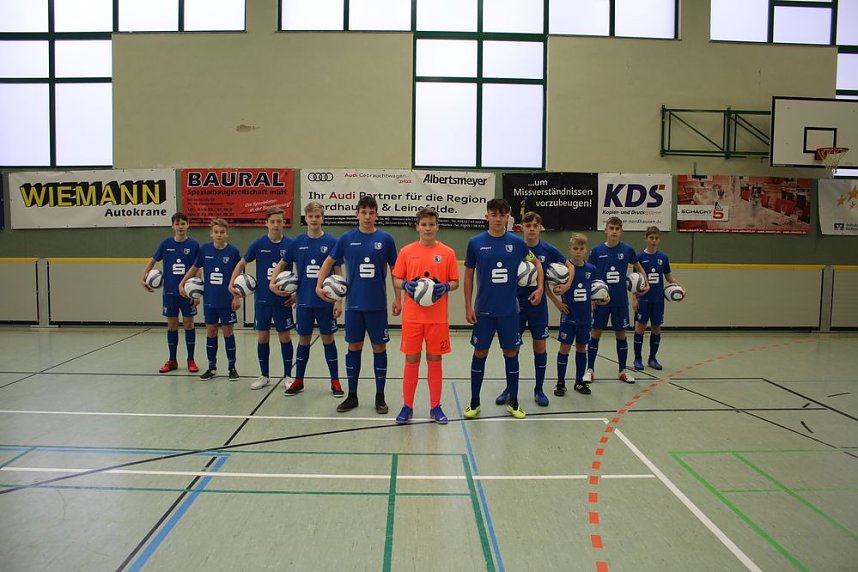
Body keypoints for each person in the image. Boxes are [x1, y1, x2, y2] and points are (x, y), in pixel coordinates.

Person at [315, 196, 401, 414]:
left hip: (377, 306)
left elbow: (395, 270)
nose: (367, 216)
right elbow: (328, 262)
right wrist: (319, 285)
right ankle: (352, 395)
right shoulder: (346, 239)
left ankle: (379, 396)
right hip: (354, 307)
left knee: (379, 348)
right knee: (354, 347)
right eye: (363, 212)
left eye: (371, 212)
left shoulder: (386, 239)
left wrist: (398, 297)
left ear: (377, 215)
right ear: (357, 214)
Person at [463, 198, 543, 420]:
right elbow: (468, 276)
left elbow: (536, 263)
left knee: (511, 353)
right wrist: (468, 305)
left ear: (508, 217)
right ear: (487, 216)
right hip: (484, 311)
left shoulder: (517, 244)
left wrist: (540, 287)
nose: (498, 219)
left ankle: (514, 402)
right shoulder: (475, 243)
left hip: (509, 311)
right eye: (494, 215)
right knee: (480, 353)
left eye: (502, 215)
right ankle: (474, 402)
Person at [391, 207, 460, 425]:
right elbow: (396, 279)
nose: (428, 228)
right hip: (412, 317)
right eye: (424, 224)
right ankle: (407, 406)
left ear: (437, 226)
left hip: (437, 318)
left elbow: (455, 282)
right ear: (417, 227)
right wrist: (405, 285)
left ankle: (435, 406)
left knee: (435, 360)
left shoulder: (448, 253)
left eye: (431, 224)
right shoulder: (406, 251)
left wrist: (446, 288)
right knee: (411, 359)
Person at [269, 201, 344, 397]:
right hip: (303, 301)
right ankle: (299, 380)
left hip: (325, 301)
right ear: (306, 219)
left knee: (328, 339)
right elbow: (282, 264)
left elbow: (337, 272)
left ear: (323, 218)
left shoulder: (332, 242)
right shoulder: (297, 242)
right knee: (303, 340)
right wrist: (272, 283)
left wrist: (338, 300)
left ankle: (335, 381)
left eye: (317, 216)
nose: (314, 220)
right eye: (310, 216)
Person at [495, 211, 566, 407]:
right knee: (512, 349)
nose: (532, 229)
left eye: (536, 225)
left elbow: (570, 267)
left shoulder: (548, 249)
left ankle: (539, 389)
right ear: (522, 228)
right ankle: (510, 388)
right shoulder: (515, 247)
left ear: (540, 228)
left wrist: (564, 287)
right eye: (528, 225)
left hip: (538, 307)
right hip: (515, 306)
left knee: (540, 346)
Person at [229, 206, 294, 390]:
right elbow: (241, 263)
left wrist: (296, 294)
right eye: (272, 221)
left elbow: (302, 268)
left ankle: (288, 376)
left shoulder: (290, 244)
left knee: (285, 337)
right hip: (263, 300)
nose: (276, 224)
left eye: (279, 221)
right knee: (263, 338)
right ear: (266, 223)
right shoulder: (258, 244)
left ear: (284, 223)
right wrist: (231, 283)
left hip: (283, 300)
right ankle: (264, 375)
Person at [587, 216, 648, 384]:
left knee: (621, 335)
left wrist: (645, 283)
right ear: (606, 229)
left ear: (621, 231)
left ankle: (622, 370)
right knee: (595, 334)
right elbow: (589, 275)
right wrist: (591, 298)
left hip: (620, 301)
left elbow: (639, 268)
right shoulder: (596, 251)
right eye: (611, 228)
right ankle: (590, 369)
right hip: (600, 301)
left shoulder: (627, 250)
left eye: (617, 229)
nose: (614, 231)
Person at [179, 219, 242, 381]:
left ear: (227, 233)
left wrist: (236, 296)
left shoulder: (233, 251)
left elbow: (239, 277)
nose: (219, 235)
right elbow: (195, 268)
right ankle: (211, 367)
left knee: (228, 332)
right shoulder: (205, 249)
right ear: (211, 233)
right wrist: (183, 283)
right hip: (210, 300)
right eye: (216, 232)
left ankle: (231, 367)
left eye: (222, 232)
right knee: (211, 333)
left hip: (227, 301)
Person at [140, 212, 201, 374]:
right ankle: (172, 360)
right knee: (172, 324)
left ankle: (191, 359)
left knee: (189, 323)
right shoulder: (166, 243)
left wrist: (196, 293)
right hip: (169, 293)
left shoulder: (194, 245)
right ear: (172, 226)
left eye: (183, 223)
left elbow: (198, 268)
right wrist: (144, 277)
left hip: (187, 294)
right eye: (177, 224)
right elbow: (153, 260)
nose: (180, 226)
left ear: (188, 225)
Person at [553, 233, 605, 396]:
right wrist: (558, 301)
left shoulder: (591, 269)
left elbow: (599, 288)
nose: (578, 252)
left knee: (582, 348)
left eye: (581, 249)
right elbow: (554, 286)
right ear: (570, 250)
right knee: (565, 348)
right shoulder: (563, 270)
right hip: (569, 316)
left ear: (585, 250)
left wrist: (604, 297)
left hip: (585, 317)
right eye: (575, 248)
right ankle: (560, 382)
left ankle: (579, 381)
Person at [632, 226, 681, 371]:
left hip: (658, 300)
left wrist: (680, 288)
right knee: (640, 328)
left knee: (656, 328)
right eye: (651, 238)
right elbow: (635, 280)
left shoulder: (663, 258)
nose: (654, 241)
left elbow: (669, 277)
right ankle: (637, 359)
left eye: (656, 238)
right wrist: (634, 299)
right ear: (646, 238)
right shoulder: (639, 257)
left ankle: (652, 358)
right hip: (643, 299)